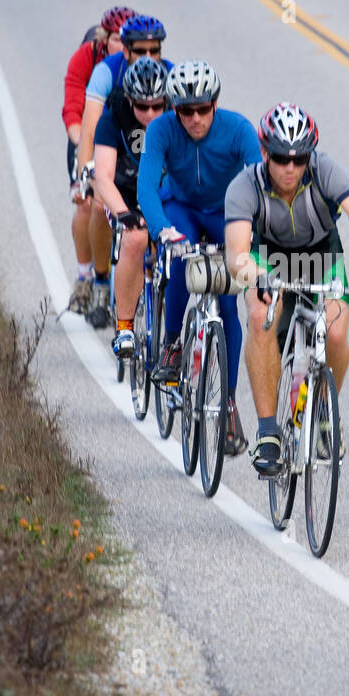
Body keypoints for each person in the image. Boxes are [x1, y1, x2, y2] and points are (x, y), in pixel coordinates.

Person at [223, 102, 349, 476]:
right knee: (259, 317)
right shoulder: (245, 185)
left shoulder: (325, 171)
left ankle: (320, 411)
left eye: (300, 159)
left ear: (310, 155)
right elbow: (237, 253)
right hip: (267, 259)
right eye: (282, 159)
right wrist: (258, 276)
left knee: (335, 332)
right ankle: (268, 432)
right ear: (264, 151)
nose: (291, 168)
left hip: (321, 255)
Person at [136, 60, 261, 456]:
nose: (194, 119)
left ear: (215, 104)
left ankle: (227, 404)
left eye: (202, 109)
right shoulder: (160, 130)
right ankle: (172, 344)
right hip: (183, 210)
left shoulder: (238, 129)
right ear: (174, 109)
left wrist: (253, 239)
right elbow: (146, 189)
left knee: (228, 303)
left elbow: (260, 184)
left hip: (227, 212)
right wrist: (162, 231)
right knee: (181, 263)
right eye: (185, 111)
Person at [79, 15, 173, 329]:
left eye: (154, 50)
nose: (148, 57)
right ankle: (102, 283)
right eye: (141, 50)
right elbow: (91, 128)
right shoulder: (108, 71)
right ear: (127, 51)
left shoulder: (170, 76)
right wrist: (87, 175)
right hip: (118, 159)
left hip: (155, 170)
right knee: (98, 203)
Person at [92, 57, 170, 357]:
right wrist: (124, 214)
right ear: (128, 99)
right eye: (142, 106)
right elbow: (103, 177)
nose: (150, 114)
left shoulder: (176, 119)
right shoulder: (113, 119)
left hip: (160, 193)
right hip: (123, 193)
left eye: (157, 106)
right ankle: (124, 327)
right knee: (136, 237)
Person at [62, 6, 134, 314]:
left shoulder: (137, 61)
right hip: (86, 136)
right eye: (118, 39)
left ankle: (116, 280)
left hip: (122, 139)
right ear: (104, 39)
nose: (123, 46)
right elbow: (74, 111)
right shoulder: (85, 59)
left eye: (127, 39)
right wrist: (85, 165)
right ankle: (85, 277)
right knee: (87, 201)